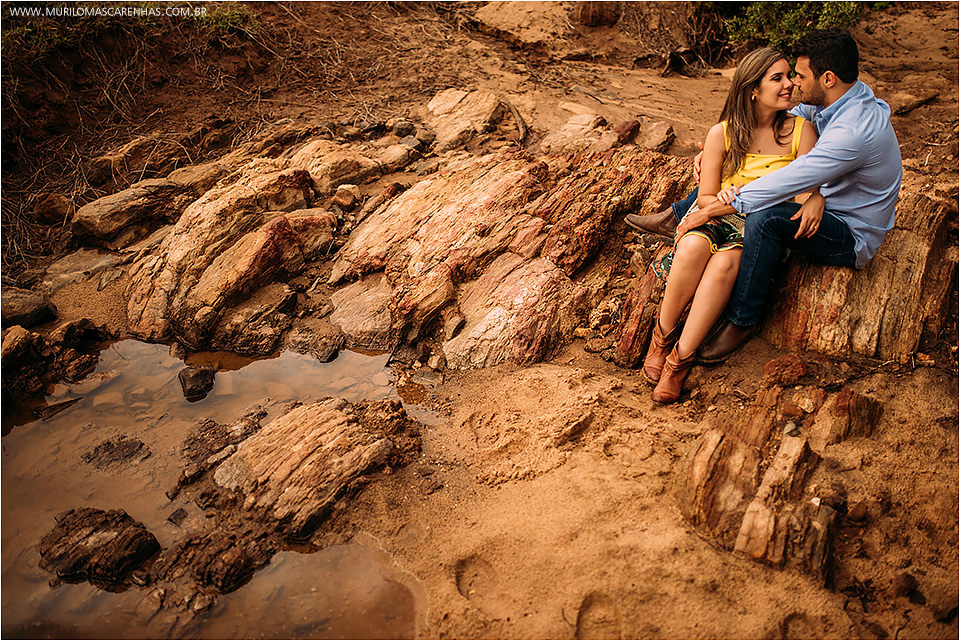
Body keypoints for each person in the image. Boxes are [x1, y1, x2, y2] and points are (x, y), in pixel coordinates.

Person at [629, 28, 902, 364]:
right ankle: (678, 212)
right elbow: (787, 121)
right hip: (825, 201)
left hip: (850, 234)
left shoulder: (854, 132)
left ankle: (743, 318)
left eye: (799, 76)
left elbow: (789, 179)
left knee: (765, 218)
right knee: (747, 175)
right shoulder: (841, 100)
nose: (795, 84)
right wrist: (716, 151)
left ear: (828, 78)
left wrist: (714, 209)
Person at [644, 47, 819, 404]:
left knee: (724, 262)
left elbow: (801, 198)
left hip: (759, 225)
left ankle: (680, 361)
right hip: (717, 215)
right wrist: (724, 203)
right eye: (778, 78)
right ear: (752, 89)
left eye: (789, 76)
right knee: (693, 246)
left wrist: (747, 197)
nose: (789, 85)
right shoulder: (721, 133)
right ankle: (661, 339)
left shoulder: (802, 132)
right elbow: (706, 197)